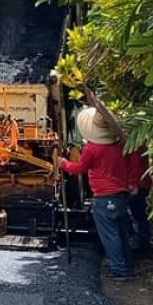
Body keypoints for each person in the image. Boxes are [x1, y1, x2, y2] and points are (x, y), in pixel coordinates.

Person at [59, 107, 134, 280]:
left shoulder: (92, 149)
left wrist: (63, 163)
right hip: (122, 195)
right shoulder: (120, 144)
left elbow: (79, 168)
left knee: (110, 235)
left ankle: (119, 270)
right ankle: (126, 266)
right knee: (121, 232)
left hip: (104, 197)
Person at [126, 144, 153, 257]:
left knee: (138, 214)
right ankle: (142, 242)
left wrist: (133, 184)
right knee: (139, 214)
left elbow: (135, 165)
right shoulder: (138, 144)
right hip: (141, 183)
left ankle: (142, 243)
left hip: (138, 185)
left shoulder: (134, 145)